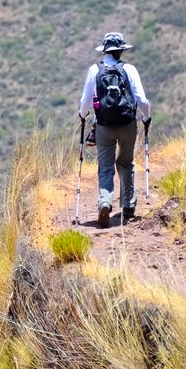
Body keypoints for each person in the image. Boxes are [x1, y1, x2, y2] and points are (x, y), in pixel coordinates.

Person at [79, 32, 151, 227]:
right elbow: (141, 99)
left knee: (105, 166)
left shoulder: (94, 70)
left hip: (103, 125)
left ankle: (105, 201)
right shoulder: (129, 69)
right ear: (121, 51)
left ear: (104, 51)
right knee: (126, 163)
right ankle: (128, 205)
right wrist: (146, 116)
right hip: (128, 124)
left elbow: (86, 101)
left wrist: (82, 114)